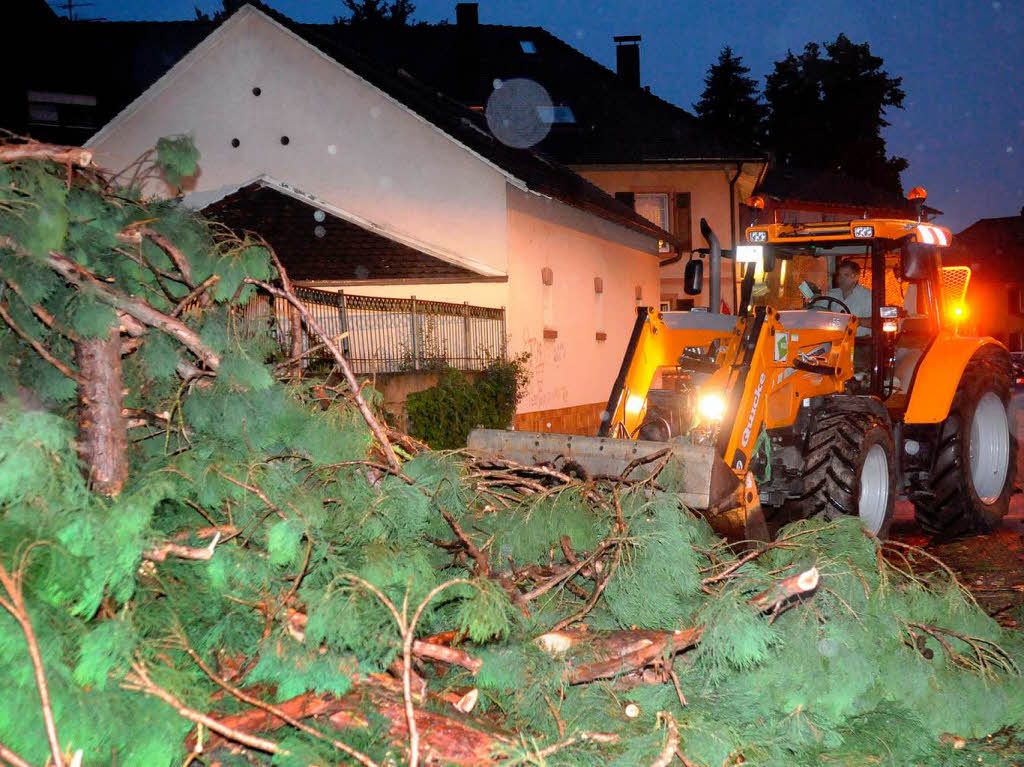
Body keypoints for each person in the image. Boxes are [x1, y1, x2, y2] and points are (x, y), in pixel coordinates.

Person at [828, 259, 872, 337]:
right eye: (839, 275)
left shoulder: (867, 296)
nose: (841, 279)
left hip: (859, 343)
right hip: (833, 341)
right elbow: (819, 310)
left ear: (856, 277)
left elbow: (877, 322)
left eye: (846, 275)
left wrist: (858, 321)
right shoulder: (831, 294)